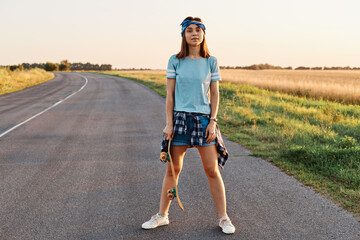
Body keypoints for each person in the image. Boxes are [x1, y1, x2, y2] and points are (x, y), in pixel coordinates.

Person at [142, 16, 235, 234]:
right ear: (183, 35)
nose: (194, 34)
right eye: (189, 30)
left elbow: (215, 94)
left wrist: (213, 122)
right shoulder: (175, 60)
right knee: (173, 170)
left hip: (203, 120)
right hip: (180, 120)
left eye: (198, 30)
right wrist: (169, 123)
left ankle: (224, 218)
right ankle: (162, 216)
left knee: (212, 170)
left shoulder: (211, 61)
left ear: (203, 34)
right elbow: (170, 95)